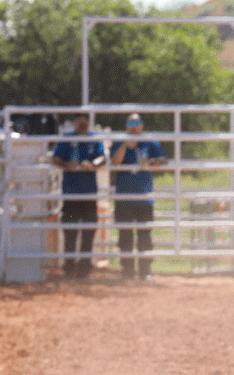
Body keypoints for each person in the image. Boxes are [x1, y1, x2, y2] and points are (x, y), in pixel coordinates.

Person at [110, 112, 167, 279]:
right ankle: (127, 272)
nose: (133, 127)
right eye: (130, 123)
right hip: (124, 197)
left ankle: (145, 271)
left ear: (142, 125)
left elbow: (163, 160)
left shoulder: (149, 141)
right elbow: (114, 163)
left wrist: (149, 163)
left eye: (136, 123)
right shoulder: (119, 141)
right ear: (125, 126)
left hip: (144, 197)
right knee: (125, 236)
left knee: (145, 236)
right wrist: (124, 147)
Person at [51, 112, 105, 279]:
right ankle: (69, 266)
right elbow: (55, 159)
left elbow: (102, 158)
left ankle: (84, 267)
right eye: (78, 119)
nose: (82, 122)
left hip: (89, 193)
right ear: (74, 122)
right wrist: (67, 165)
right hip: (71, 193)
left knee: (89, 230)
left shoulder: (94, 138)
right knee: (70, 231)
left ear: (89, 122)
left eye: (84, 119)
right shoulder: (67, 139)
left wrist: (93, 164)